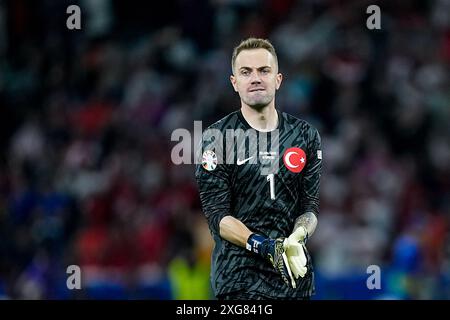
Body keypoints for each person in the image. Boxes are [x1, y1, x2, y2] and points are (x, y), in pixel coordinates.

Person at [195, 38, 322, 300]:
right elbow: (218, 217)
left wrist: (297, 236)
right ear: (234, 83)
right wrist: (264, 246)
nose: (255, 78)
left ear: (278, 79)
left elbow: (309, 208)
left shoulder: (305, 135)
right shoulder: (217, 138)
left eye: (263, 70)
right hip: (239, 279)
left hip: (293, 278)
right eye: (246, 72)